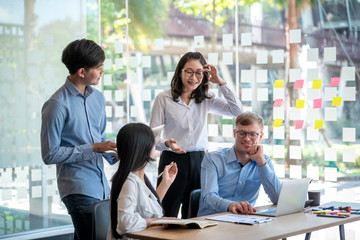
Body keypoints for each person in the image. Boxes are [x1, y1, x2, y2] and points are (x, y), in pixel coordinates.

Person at [40, 39, 118, 240]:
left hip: (101, 186)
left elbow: (99, 139)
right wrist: (92, 147)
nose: (102, 72)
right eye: (98, 68)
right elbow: (50, 154)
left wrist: (119, 153)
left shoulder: (98, 99)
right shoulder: (56, 105)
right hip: (77, 187)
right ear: (82, 72)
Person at [150, 52, 243, 218]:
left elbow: (237, 111)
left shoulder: (206, 99)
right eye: (189, 72)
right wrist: (167, 143)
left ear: (205, 74)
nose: (194, 77)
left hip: (201, 162)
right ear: (180, 72)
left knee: (195, 216)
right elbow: (152, 138)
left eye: (199, 72)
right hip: (172, 161)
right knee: (165, 214)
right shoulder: (163, 99)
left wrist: (220, 82)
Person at [197, 111, 282, 216]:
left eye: (252, 134)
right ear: (234, 134)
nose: (246, 138)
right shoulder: (212, 159)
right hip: (211, 221)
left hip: (243, 221)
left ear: (260, 136)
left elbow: (278, 199)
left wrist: (261, 162)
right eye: (242, 133)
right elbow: (208, 197)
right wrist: (231, 205)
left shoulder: (264, 161)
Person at [108, 123, 178, 239]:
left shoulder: (139, 178)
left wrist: (165, 183)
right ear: (144, 149)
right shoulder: (129, 182)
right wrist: (157, 221)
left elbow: (147, 208)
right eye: (153, 144)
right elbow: (125, 223)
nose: (154, 147)